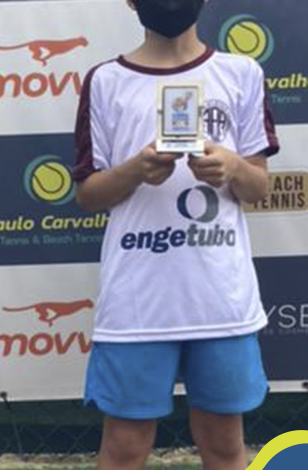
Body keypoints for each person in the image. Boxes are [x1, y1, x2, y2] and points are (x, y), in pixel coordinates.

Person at [73, 0, 279, 469]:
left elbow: (258, 187)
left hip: (220, 302)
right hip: (137, 305)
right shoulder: (105, 80)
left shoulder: (241, 72)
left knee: (224, 446)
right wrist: (135, 170)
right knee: (124, 448)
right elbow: (88, 195)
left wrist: (232, 167)